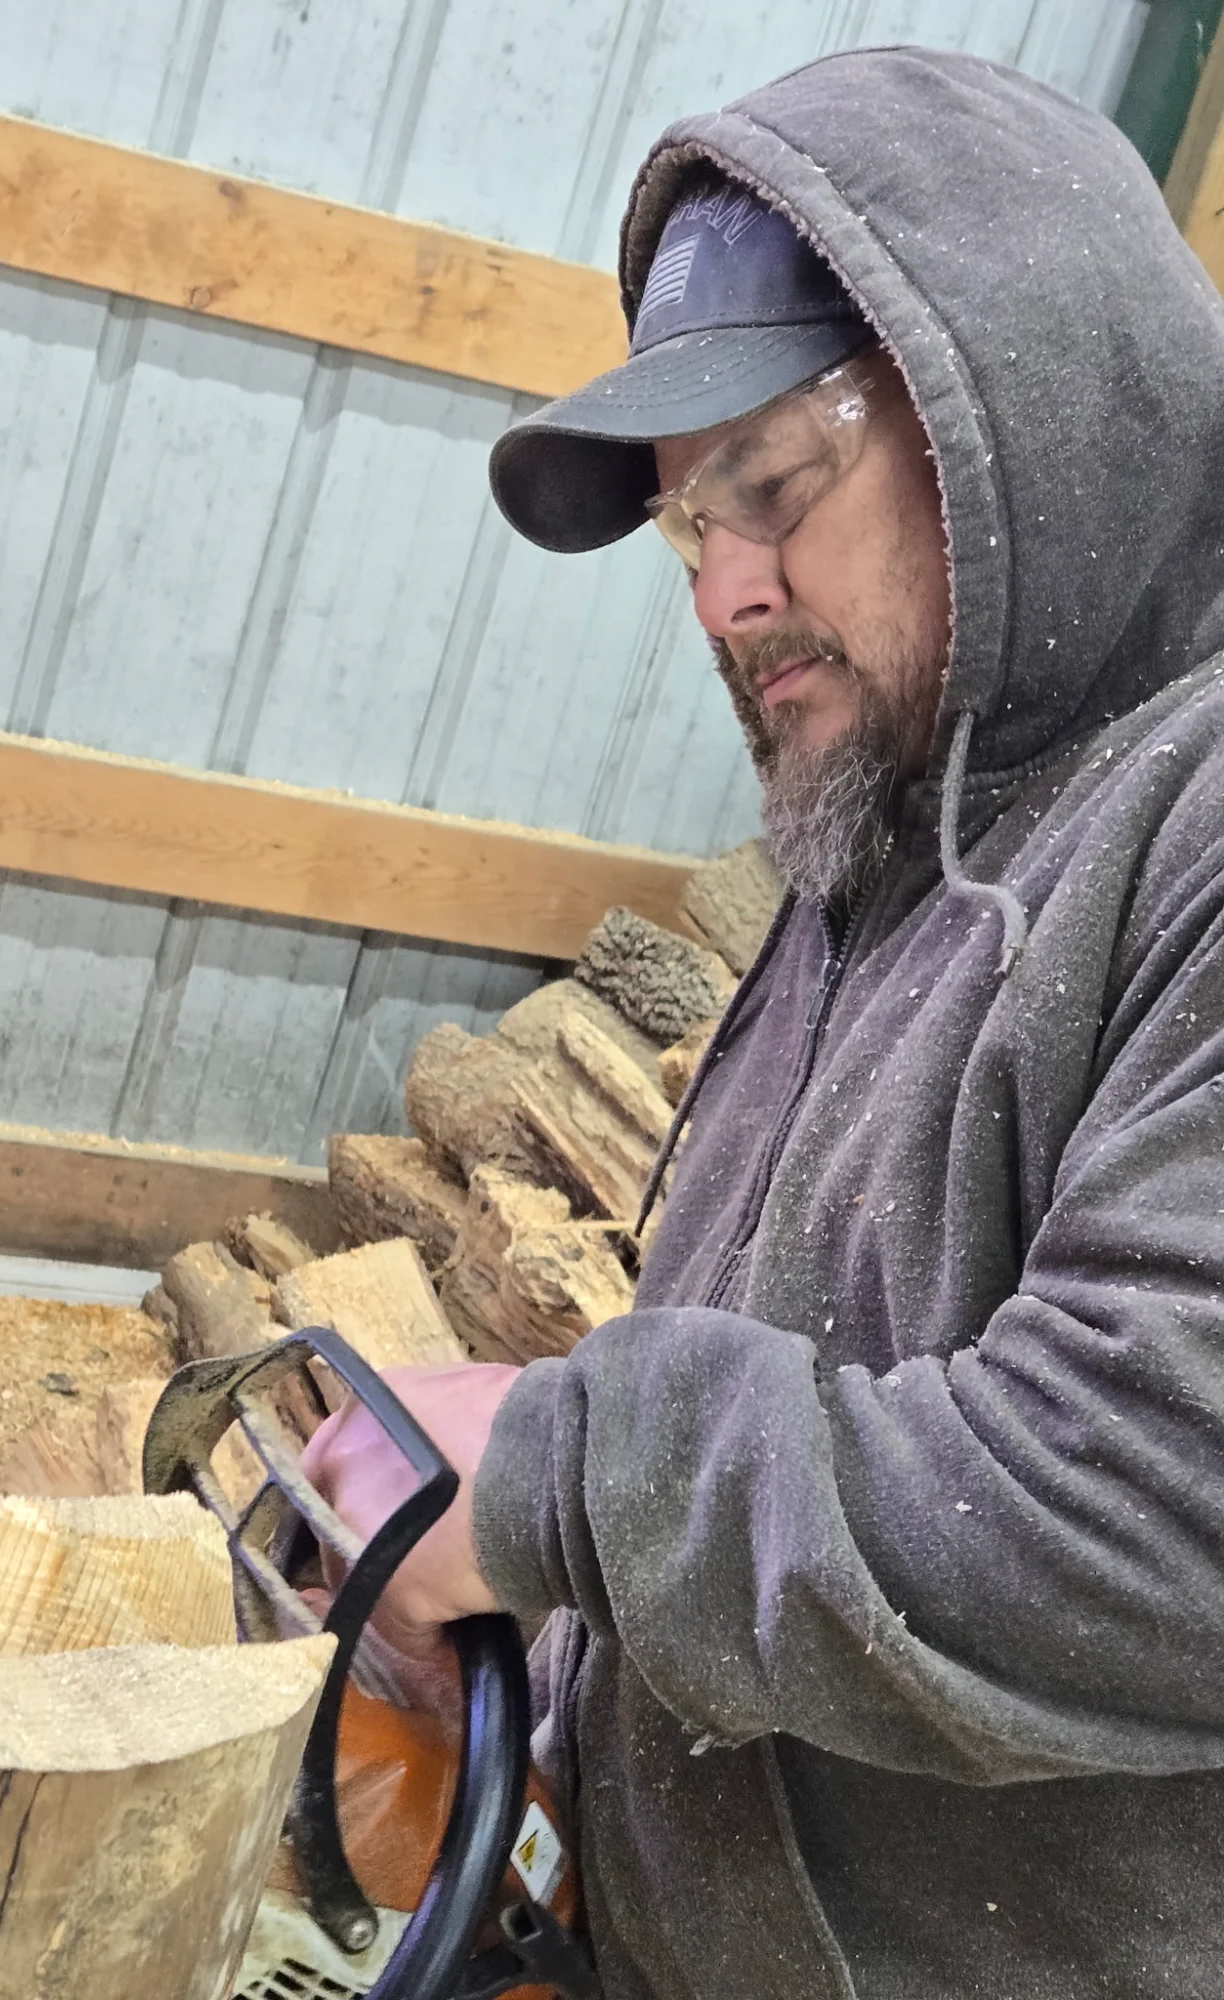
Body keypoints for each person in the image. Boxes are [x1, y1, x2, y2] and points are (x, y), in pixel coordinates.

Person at [304, 43, 1224, 2000]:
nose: (724, 589)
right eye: (682, 525)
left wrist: (556, 1483)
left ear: (1026, 412)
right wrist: (530, 1696)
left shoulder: (1192, 832)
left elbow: (1166, 1509)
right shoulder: (865, 864)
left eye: (775, 489)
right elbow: (765, 1386)